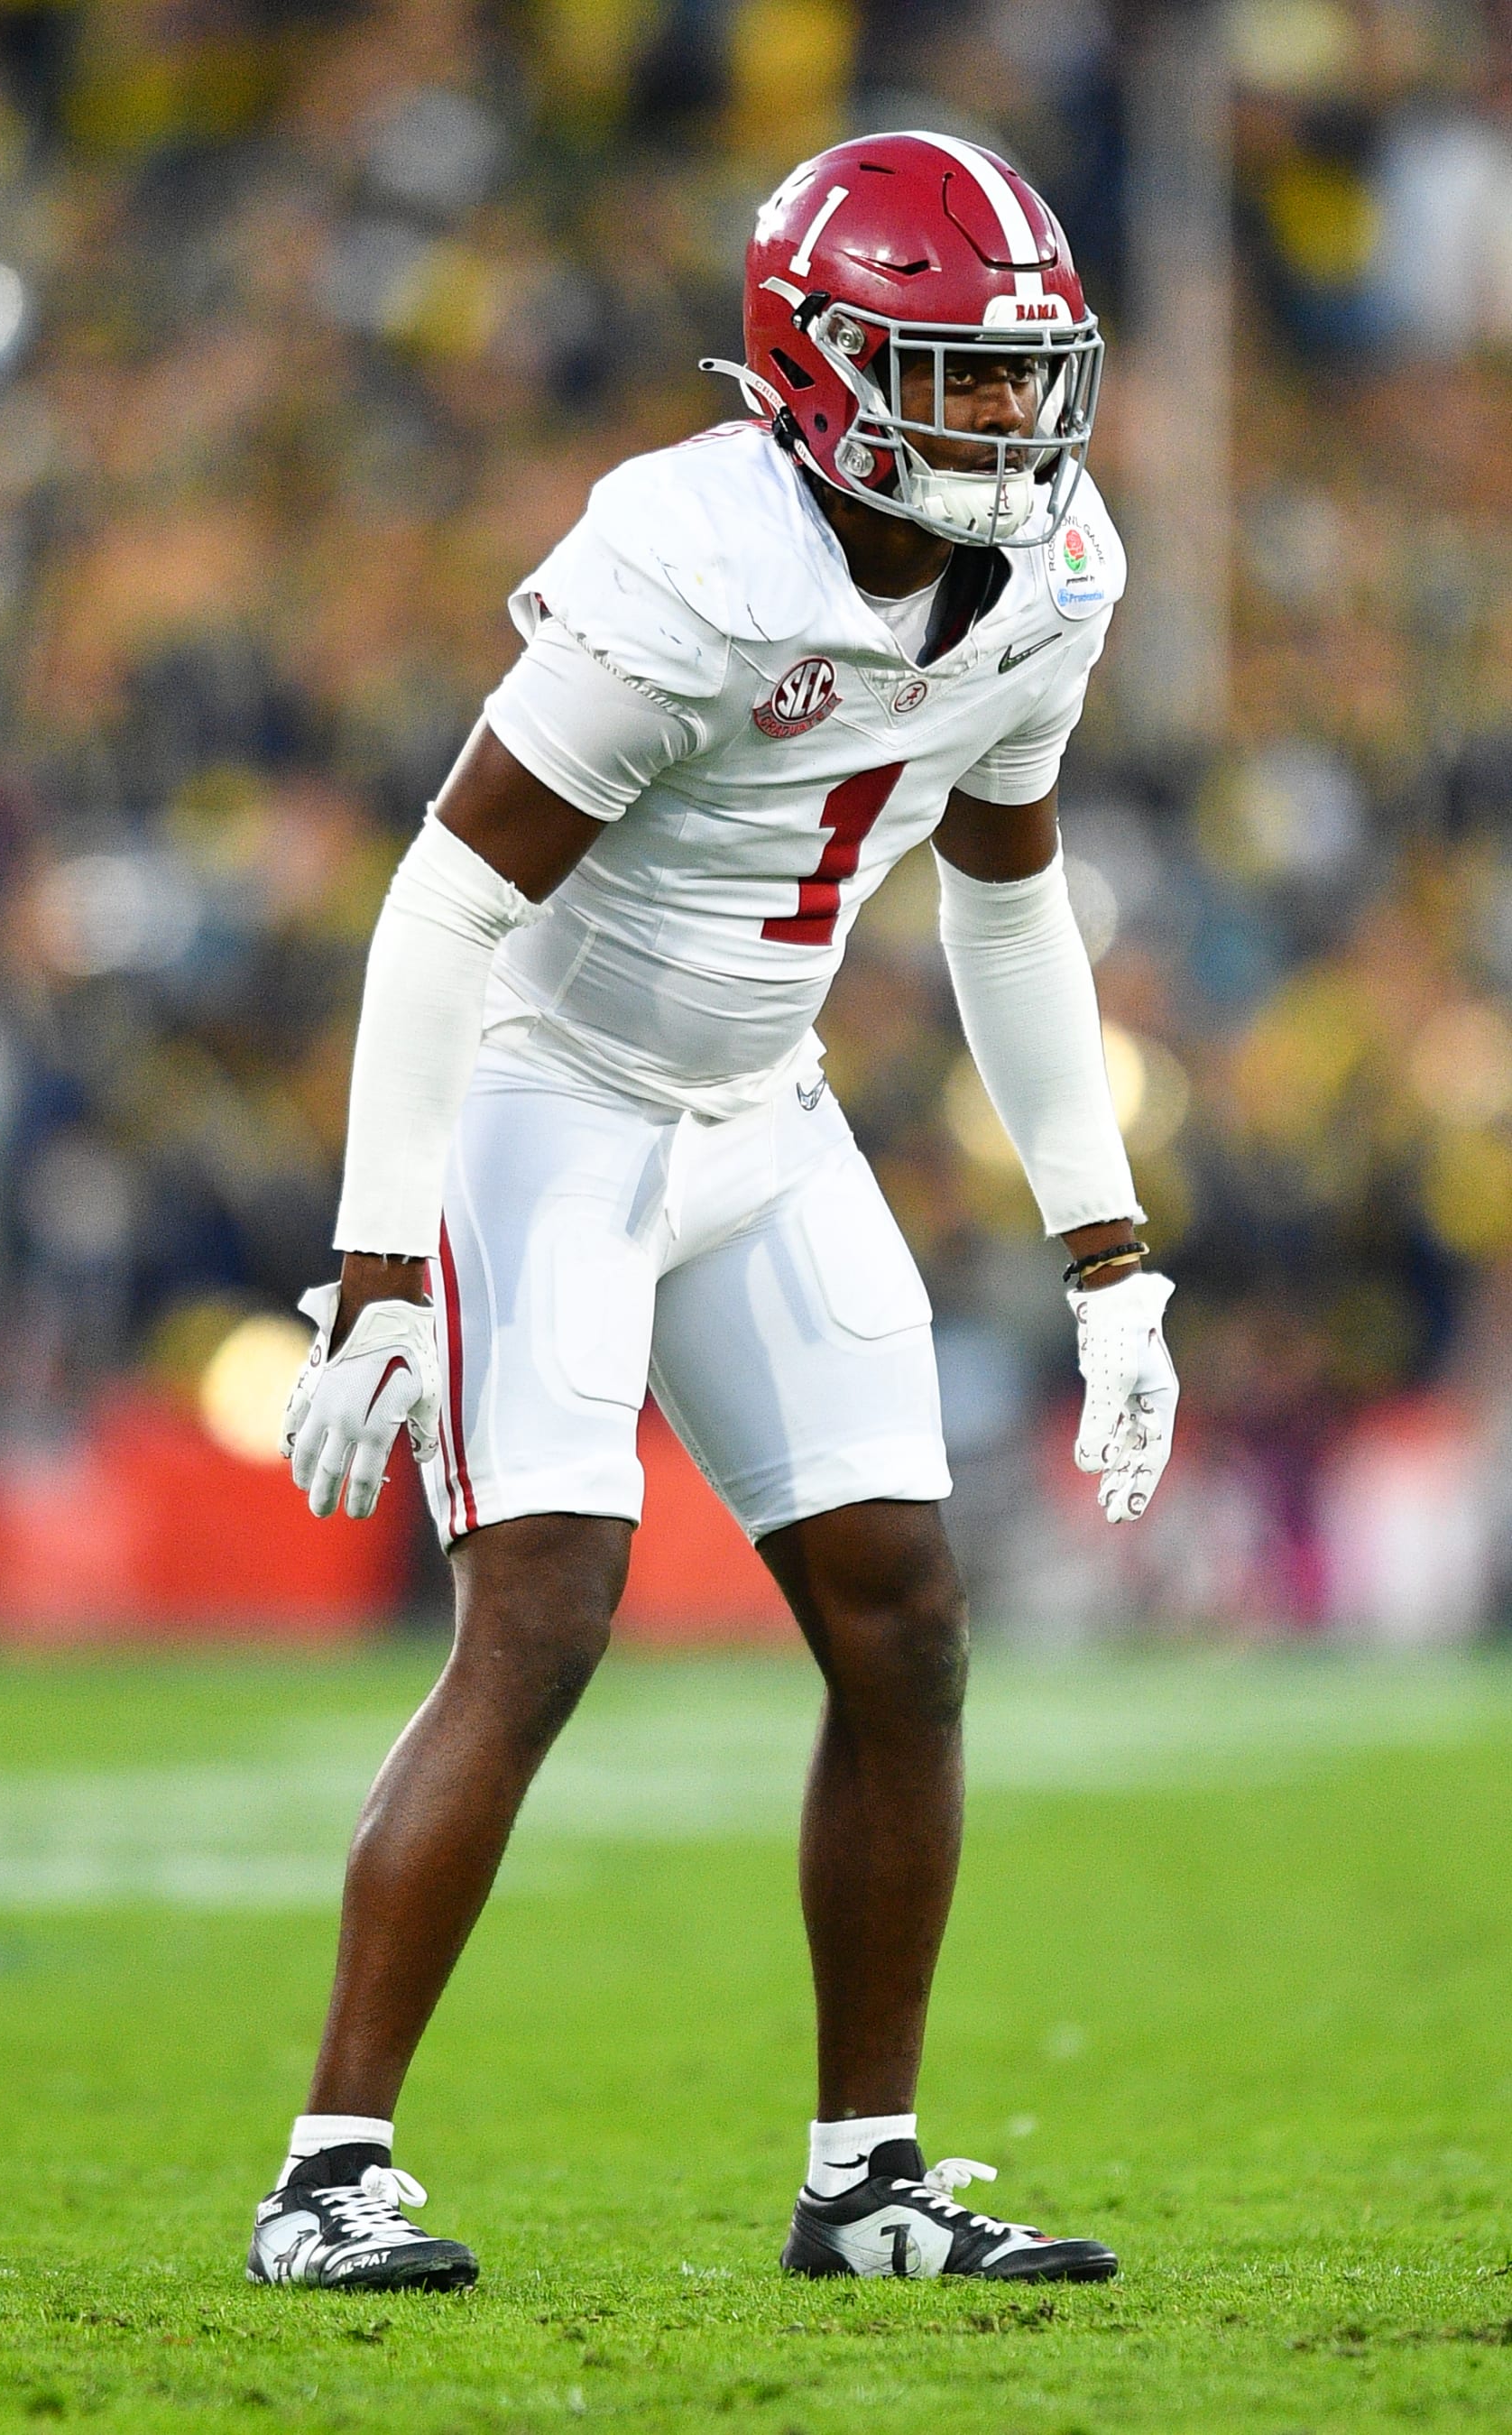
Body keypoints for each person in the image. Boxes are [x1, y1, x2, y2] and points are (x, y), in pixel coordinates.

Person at [247, 130, 1179, 2293]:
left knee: (911, 1629)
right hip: (548, 1101)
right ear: (821, 363)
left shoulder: (1055, 568)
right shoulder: (691, 549)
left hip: (763, 1108)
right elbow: (451, 893)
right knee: (548, 1614)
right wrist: (381, 1258)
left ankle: (869, 2177)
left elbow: (1010, 897)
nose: (1010, 423)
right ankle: (330, 2170)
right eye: (954, 375)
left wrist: (1107, 1246)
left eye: (1029, 375)